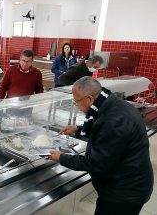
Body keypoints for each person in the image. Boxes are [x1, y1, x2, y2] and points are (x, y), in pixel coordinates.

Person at [49, 77, 153, 215]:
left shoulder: (113, 120)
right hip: (128, 183)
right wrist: (78, 129)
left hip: (124, 193)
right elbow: (102, 129)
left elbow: (94, 162)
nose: (77, 106)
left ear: (90, 99)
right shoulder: (111, 103)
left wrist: (61, 158)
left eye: (77, 101)